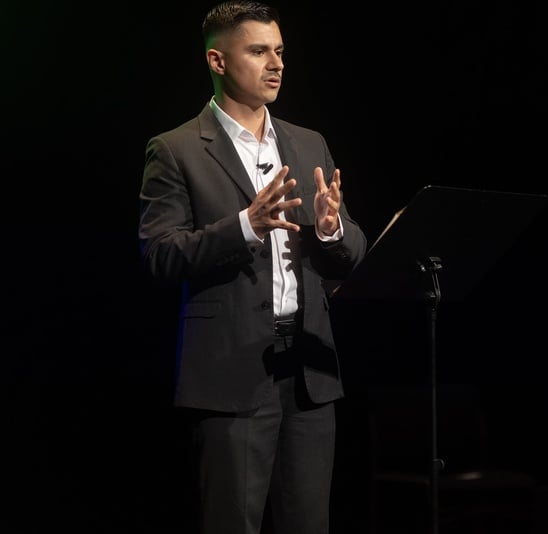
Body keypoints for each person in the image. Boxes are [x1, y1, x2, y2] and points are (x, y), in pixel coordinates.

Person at [137, 2, 368, 533]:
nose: (276, 64)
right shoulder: (175, 150)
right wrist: (246, 224)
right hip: (231, 373)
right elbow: (159, 255)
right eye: (259, 51)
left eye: (280, 51)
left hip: (310, 371)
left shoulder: (310, 143)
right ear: (218, 60)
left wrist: (331, 228)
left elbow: (352, 251)